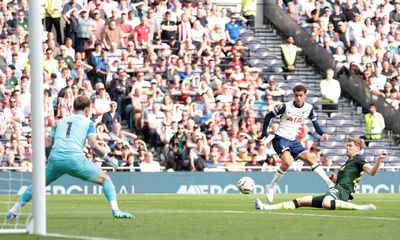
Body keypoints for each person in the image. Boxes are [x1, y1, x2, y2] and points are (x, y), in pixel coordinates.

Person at [6, 96, 133, 219]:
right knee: (105, 179)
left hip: (55, 159)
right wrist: (108, 159)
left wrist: (50, 160)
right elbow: (93, 145)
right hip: (75, 160)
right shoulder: (88, 123)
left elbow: (47, 144)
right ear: (87, 110)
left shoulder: (60, 121)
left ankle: (14, 210)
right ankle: (116, 210)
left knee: (38, 184)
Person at [256, 137, 387, 211]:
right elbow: (350, 178)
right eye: (347, 145)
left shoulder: (359, 159)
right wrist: (336, 179)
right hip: (338, 189)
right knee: (301, 201)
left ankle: (361, 208)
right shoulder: (349, 162)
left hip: (341, 191)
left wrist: (379, 160)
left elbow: (372, 172)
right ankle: (266, 207)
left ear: (358, 148)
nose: (347, 147)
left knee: (326, 203)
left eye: (350, 146)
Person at [260, 85, 334, 203]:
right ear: (293, 95)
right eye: (296, 95)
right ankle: (271, 187)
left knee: (311, 158)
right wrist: (264, 132)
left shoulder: (309, 108)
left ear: (305, 95)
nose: (299, 98)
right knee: (287, 163)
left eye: (301, 95)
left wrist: (322, 134)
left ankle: (329, 184)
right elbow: (268, 116)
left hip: (293, 140)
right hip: (280, 138)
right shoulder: (285, 107)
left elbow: (315, 124)